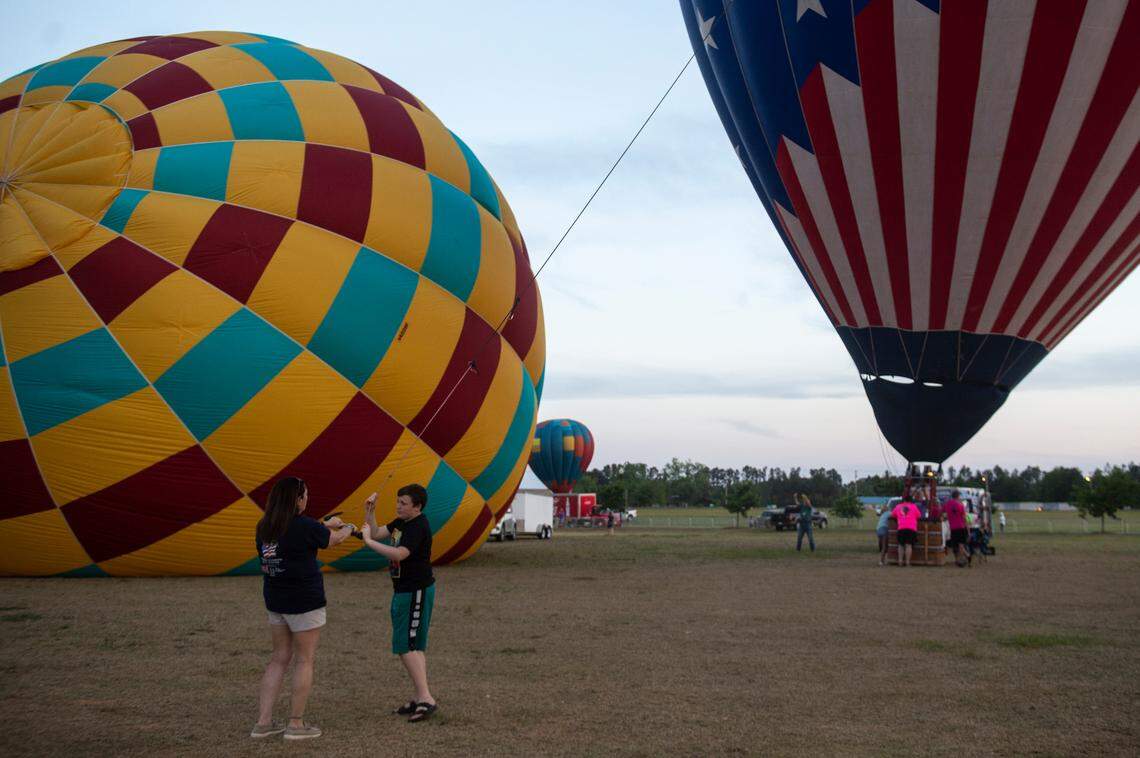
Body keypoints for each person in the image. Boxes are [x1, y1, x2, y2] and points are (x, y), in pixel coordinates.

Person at [252, 477, 355, 740]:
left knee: (279, 658)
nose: (308, 498)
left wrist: (324, 526)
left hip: (276, 601)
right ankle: (295, 724)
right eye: (306, 495)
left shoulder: (264, 526)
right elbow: (333, 540)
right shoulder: (306, 526)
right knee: (304, 659)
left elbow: (297, 537)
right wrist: (349, 528)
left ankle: (263, 723)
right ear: (297, 499)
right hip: (304, 601)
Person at [361, 485, 439, 723]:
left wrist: (367, 542)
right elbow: (376, 532)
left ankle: (426, 699)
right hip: (404, 590)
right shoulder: (402, 523)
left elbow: (399, 554)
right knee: (413, 645)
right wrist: (369, 512)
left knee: (405, 645)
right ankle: (419, 696)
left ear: (417, 506)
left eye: (404, 503)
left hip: (415, 590)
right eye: (398, 501)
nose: (398, 506)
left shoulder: (418, 526)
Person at [891, 497, 920, 567]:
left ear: (903, 500)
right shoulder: (914, 506)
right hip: (911, 528)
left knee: (901, 545)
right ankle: (907, 562)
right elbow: (919, 515)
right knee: (908, 545)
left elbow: (893, 515)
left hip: (901, 527)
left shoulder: (898, 506)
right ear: (910, 501)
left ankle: (900, 561)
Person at [944, 490, 969, 566]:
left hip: (953, 528)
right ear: (958, 496)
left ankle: (961, 559)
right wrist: (968, 528)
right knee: (961, 545)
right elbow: (964, 518)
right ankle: (964, 558)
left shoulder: (947, 504)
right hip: (961, 527)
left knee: (956, 545)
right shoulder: (960, 505)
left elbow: (942, 511)